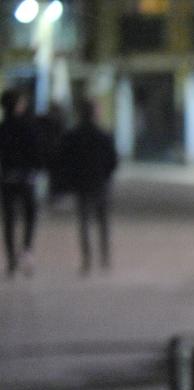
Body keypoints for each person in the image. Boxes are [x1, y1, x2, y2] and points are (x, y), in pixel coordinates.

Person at [57, 99, 119, 274]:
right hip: (100, 183)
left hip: (81, 184)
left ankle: (87, 259)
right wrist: (106, 175)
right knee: (102, 222)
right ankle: (104, 256)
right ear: (95, 113)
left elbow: (63, 159)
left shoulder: (73, 135)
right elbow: (113, 161)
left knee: (84, 222)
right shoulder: (104, 134)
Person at [0, 89, 41, 278]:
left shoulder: (3, 128)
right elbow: (36, 153)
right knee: (30, 214)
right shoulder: (28, 127)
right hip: (25, 179)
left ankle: (11, 259)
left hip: (7, 179)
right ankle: (26, 249)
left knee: (9, 220)